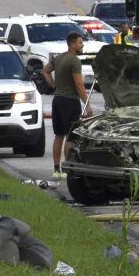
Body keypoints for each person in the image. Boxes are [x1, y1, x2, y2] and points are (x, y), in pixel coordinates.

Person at [44, 32, 92, 173]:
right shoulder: (74, 60)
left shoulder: (59, 58)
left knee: (59, 136)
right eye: (80, 42)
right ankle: (67, 170)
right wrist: (87, 105)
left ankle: (56, 169)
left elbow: (45, 71)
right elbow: (79, 84)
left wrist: (54, 86)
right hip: (70, 102)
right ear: (72, 44)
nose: (82, 45)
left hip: (57, 100)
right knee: (71, 137)